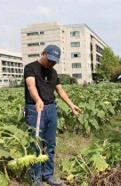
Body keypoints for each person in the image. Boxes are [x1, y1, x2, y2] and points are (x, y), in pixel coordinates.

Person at [24, 45, 82, 186]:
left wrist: (71, 105)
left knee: (50, 144)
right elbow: (31, 86)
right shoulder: (30, 68)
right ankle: (35, 178)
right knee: (36, 144)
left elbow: (60, 91)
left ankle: (47, 175)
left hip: (51, 109)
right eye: (50, 60)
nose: (52, 63)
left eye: (54, 61)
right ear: (43, 53)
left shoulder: (54, 72)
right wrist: (38, 100)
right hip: (35, 108)